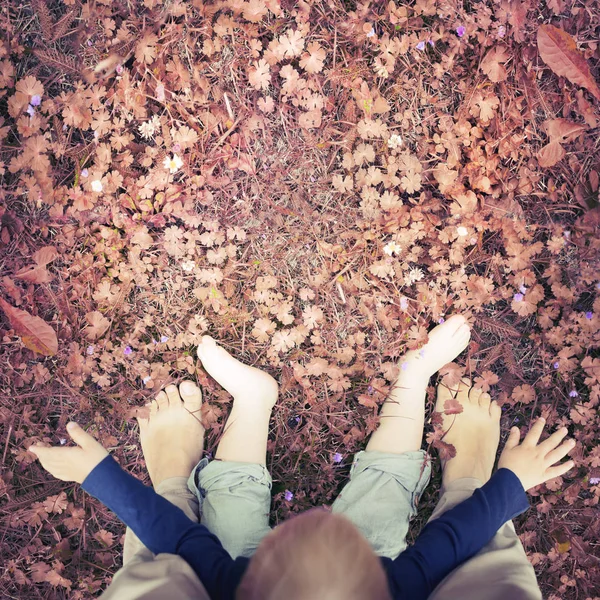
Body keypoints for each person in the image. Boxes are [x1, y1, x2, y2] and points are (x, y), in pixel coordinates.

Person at [28, 314, 576, 599]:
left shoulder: (229, 582)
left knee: (223, 515)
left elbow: (177, 539)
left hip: (240, 569)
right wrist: (510, 483)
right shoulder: (398, 586)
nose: (301, 519)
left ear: (256, 576)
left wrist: (98, 474)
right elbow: (451, 541)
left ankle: (254, 400)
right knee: (383, 490)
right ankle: (414, 379)